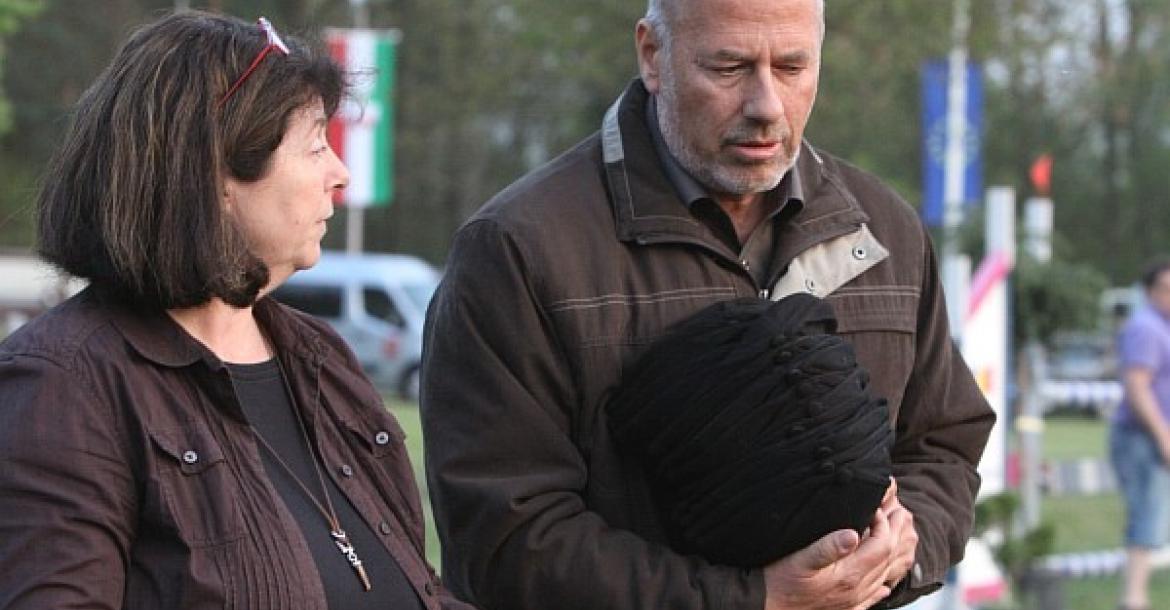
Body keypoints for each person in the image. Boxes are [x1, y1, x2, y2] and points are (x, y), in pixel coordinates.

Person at [422, 0, 994, 608]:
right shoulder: (519, 250)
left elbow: (943, 444)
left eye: (792, 66)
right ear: (652, 56)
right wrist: (755, 600)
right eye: (729, 67)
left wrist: (900, 549)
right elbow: (506, 538)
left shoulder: (884, 230)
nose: (766, 104)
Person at [0, 11, 472, 610]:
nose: (340, 174)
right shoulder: (64, 386)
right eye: (315, 146)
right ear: (215, 175)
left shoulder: (322, 360)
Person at [1110, 258, 1170, 610]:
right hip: (1142, 437)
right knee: (1146, 517)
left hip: (1152, 436)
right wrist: (1163, 436)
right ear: (1149, 291)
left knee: (1152, 518)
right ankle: (1134, 599)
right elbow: (1137, 386)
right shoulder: (1147, 328)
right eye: (1165, 289)